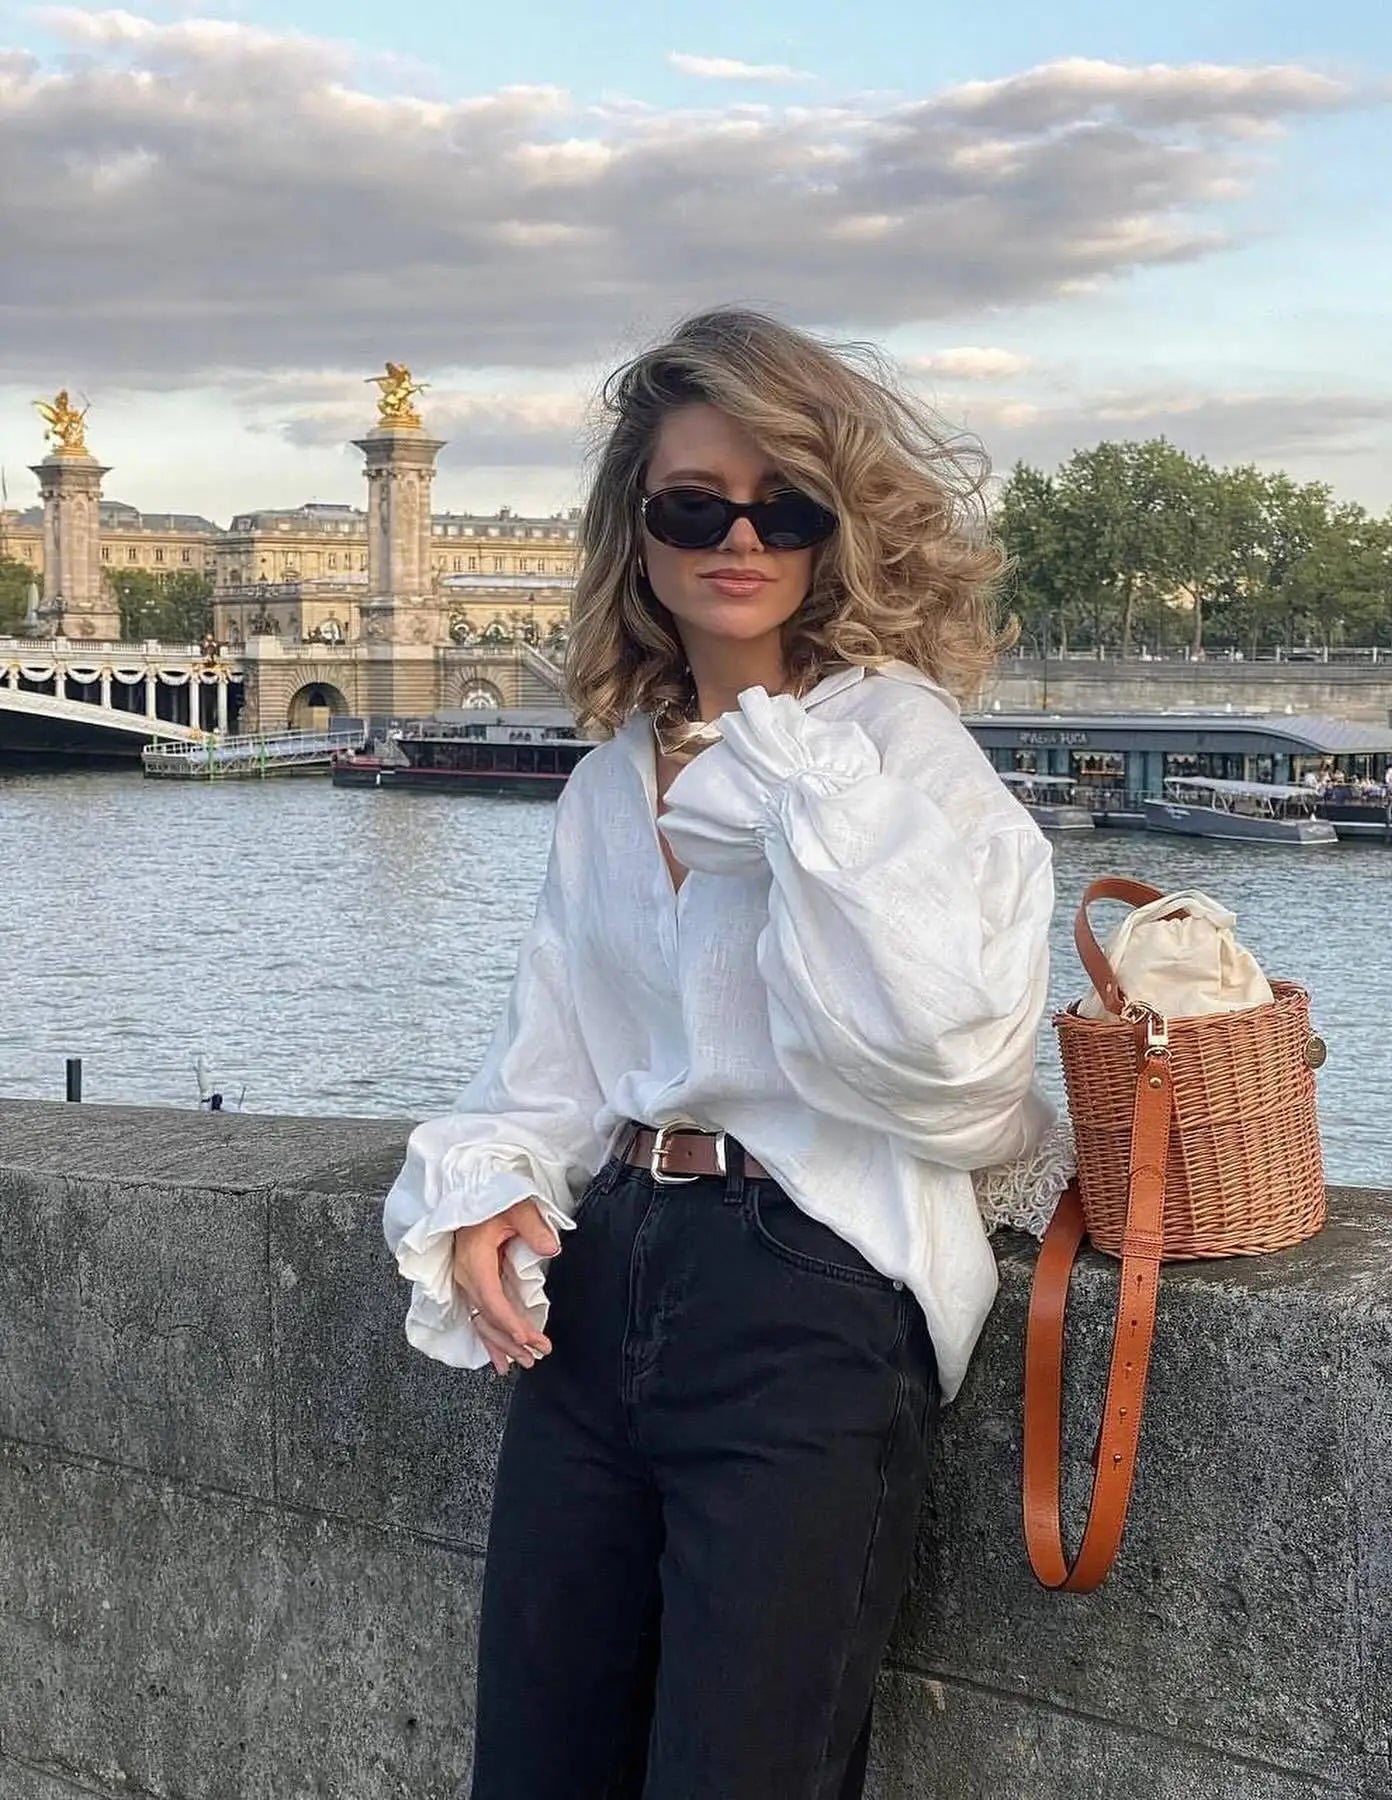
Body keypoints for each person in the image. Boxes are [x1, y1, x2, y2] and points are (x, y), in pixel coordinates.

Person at [382, 308, 1064, 1800]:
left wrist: (794, 783)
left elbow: (960, 1062)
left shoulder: (892, 751)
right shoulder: (604, 789)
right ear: (641, 533)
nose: (739, 539)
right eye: (697, 506)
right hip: (602, 1288)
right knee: (537, 1767)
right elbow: (554, 1074)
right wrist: (499, 1188)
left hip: (805, 1292)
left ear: (835, 534)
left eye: (785, 507)